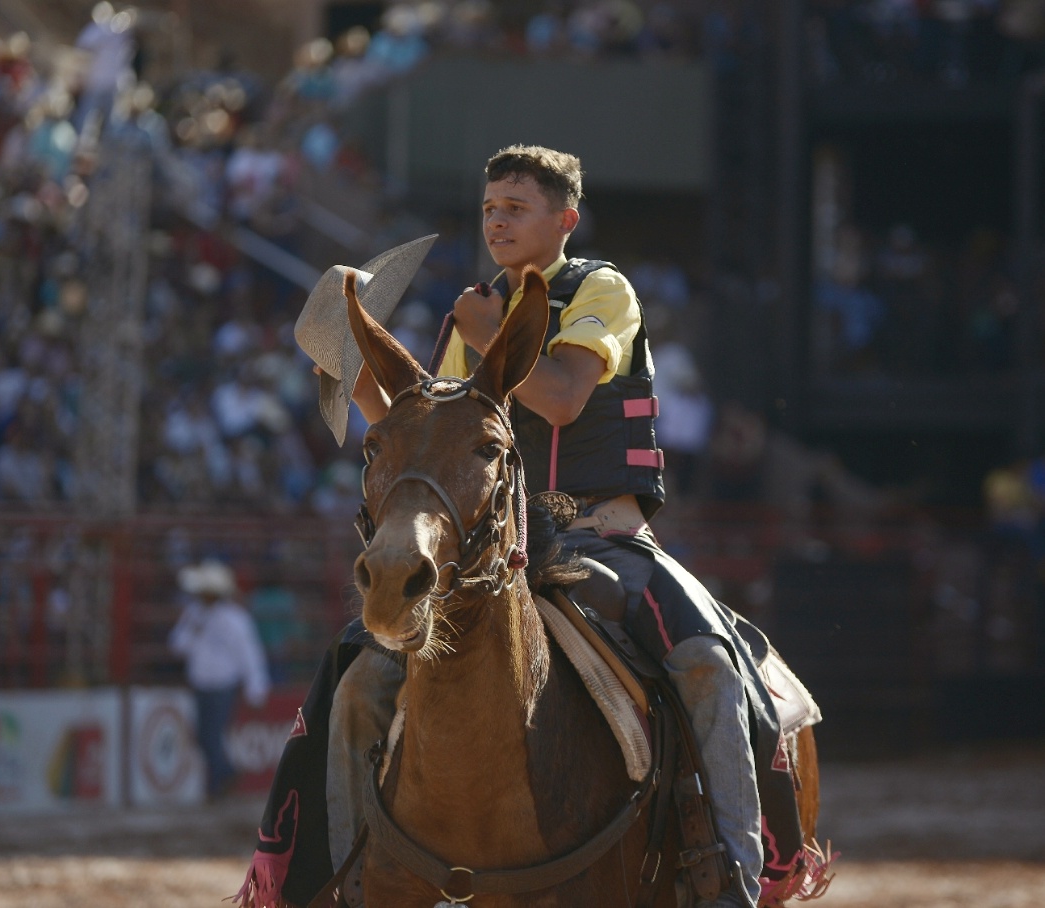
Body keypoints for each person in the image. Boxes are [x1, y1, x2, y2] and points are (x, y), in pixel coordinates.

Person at [242, 147, 806, 908]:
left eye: (515, 207)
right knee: (356, 683)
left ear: (563, 219)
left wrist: (483, 333)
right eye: (488, 208)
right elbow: (433, 431)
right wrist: (348, 374)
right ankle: (342, 875)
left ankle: (732, 877)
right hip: (490, 550)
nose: (496, 221)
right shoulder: (472, 309)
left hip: (603, 538)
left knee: (705, 662)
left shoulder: (599, 289)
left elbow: (565, 398)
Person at [169, 558, 270, 802]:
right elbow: (177, 645)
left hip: (223, 686)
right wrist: (194, 632)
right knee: (205, 736)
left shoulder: (235, 619)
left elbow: (249, 654)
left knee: (211, 735)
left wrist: (256, 687)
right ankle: (224, 776)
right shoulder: (193, 615)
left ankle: (219, 783)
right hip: (201, 684)